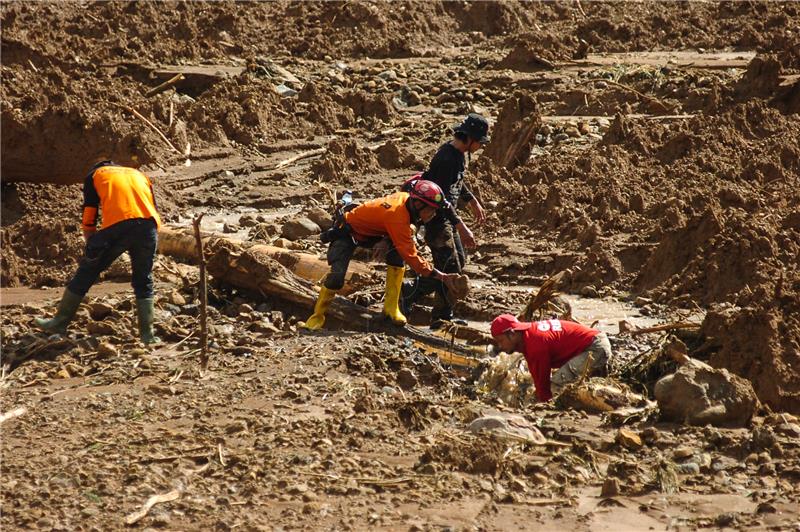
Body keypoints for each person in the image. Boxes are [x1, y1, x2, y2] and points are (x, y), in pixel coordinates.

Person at [35, 159, 162, 344]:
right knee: (144, 279)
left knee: (86, 273)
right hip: (148, 226)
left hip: (117, 227)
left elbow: (90, 211)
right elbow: (153, 208)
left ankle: (59, 322)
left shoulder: (95, 175)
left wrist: (90, 244)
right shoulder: (139, 175)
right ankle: (147, 336)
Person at [304, 180, 461, 330]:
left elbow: (403, 226)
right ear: (419, 204)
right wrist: (442, 277)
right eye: (431, 209)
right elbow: (412, 258)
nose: (433, 214)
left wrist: (387, 239)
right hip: (347, 232)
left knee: (396, 254)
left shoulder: (407, 199)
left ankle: (391, 309)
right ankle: (316, 317)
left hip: (372, 234)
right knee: (336, 278)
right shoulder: (397, 216)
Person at [401, 113, 490, 329]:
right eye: (479, 142)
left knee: (457, 261)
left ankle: (416, 296)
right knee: (451, 268)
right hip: (437, 220)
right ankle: (436, 314)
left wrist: (471, 201)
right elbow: (439, 200)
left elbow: (457, 183)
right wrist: (462, 226)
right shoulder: (446, 159)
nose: (480, 147)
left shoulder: (457, 155)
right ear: (470, 139)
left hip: (446, 218)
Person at [490, 314, 613, 402]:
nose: (500, 346)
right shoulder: (528, 336)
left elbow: (544, 382)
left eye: (501, 340)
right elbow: (537, 374)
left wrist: (542, 404)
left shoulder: (535, 344)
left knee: (557, 384)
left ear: (512, 334)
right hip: (594, 341)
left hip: (594, 348)